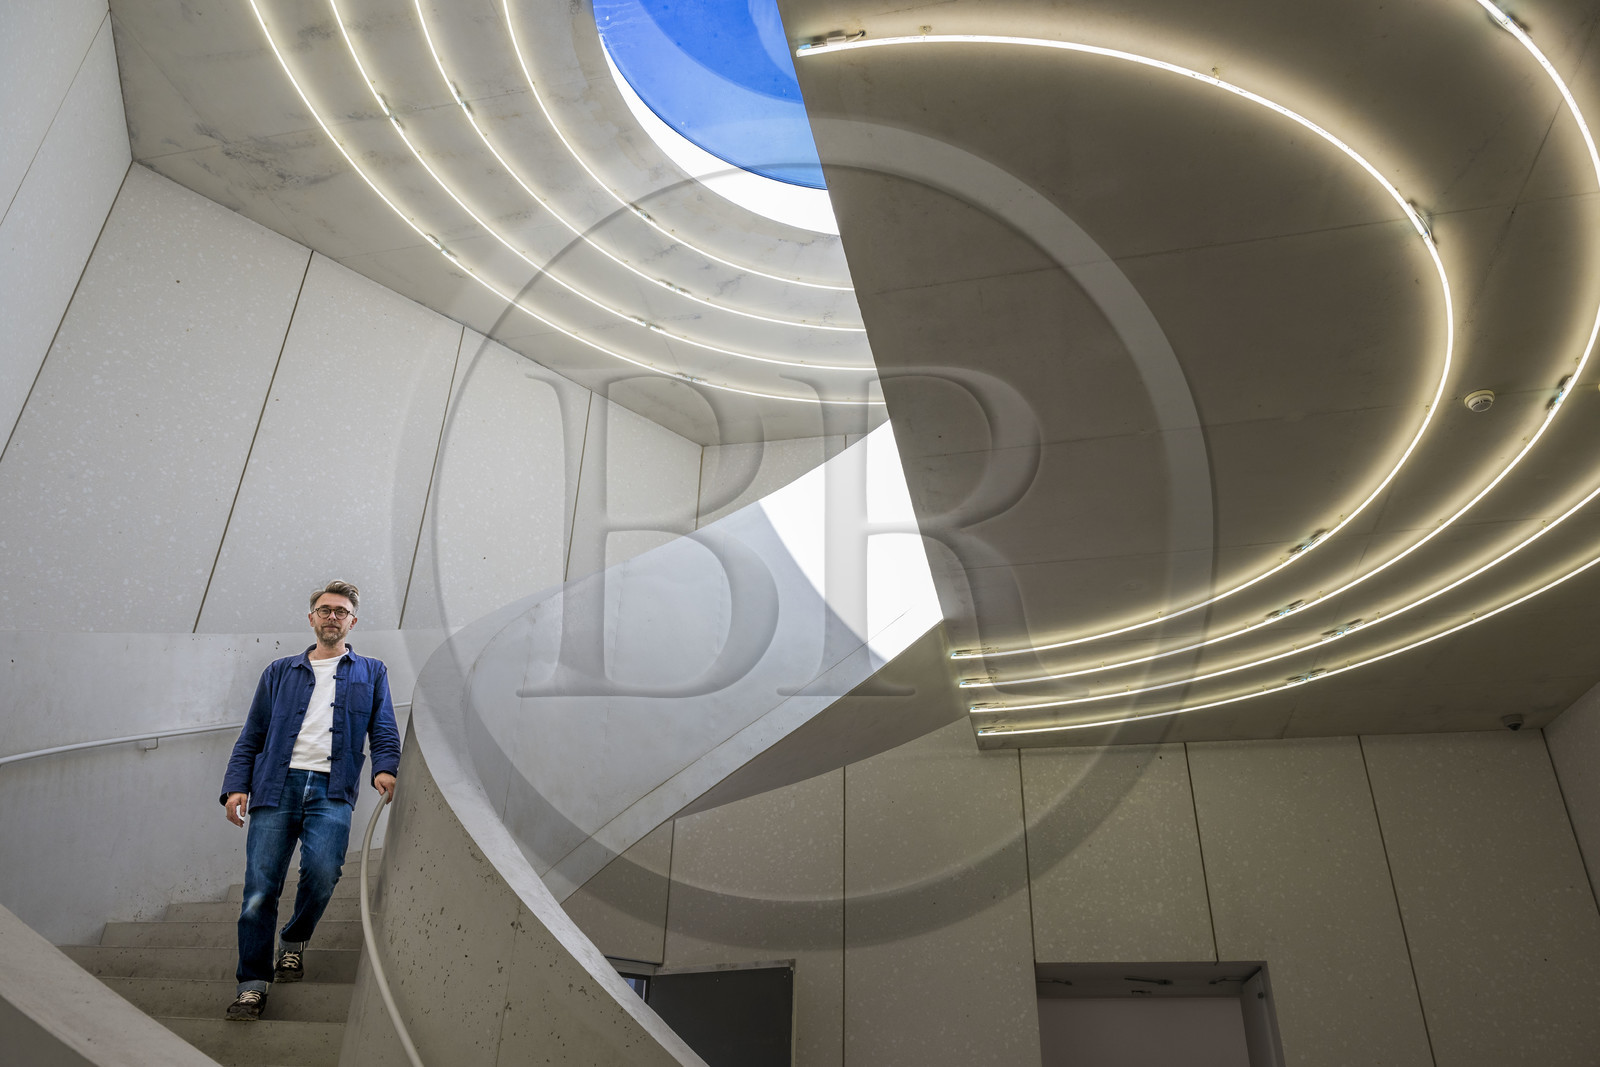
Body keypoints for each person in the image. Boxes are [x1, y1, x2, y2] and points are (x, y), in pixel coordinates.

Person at [218, 580, 399, 1021]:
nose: (332, 616)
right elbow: (252, 735)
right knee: (260, 891)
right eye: (324, 609)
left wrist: (385, 767)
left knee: (322, 874)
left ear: (352, 621)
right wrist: (235, 785)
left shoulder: (372, 671)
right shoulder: (279, 672)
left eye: (340, 611)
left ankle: (293, 942)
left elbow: (385, 729)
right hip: (274, 788)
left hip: (331, 791)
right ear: (312, 617)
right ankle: (252, 985)